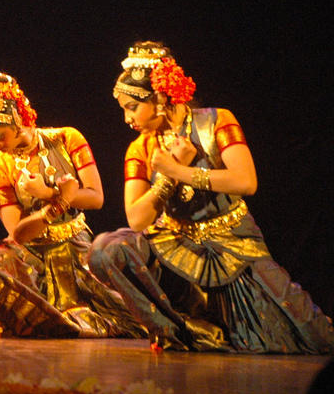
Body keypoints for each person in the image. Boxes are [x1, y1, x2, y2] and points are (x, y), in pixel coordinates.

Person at [89, 42, 334, 352]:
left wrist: (181, 172)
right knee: (106, 251)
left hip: (233, 244)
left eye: (132, 106)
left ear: (161, 98)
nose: (127, 118)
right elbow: (137, 218)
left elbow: (246, 181)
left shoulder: (216, 121)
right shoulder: (141, 148)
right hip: (174, 244)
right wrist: (166, 177)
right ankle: (175, 331)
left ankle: (211, 328)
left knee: (304, 336)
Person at [0, 72, 144, 338]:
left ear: (18, 122)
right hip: (31, 255)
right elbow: (19, 234)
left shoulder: (67, 138)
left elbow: (96, 198)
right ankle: (46, 317)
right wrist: (56, 200)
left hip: (76, 243)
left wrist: (48, 193)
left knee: (130, 312)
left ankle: (48, 320)